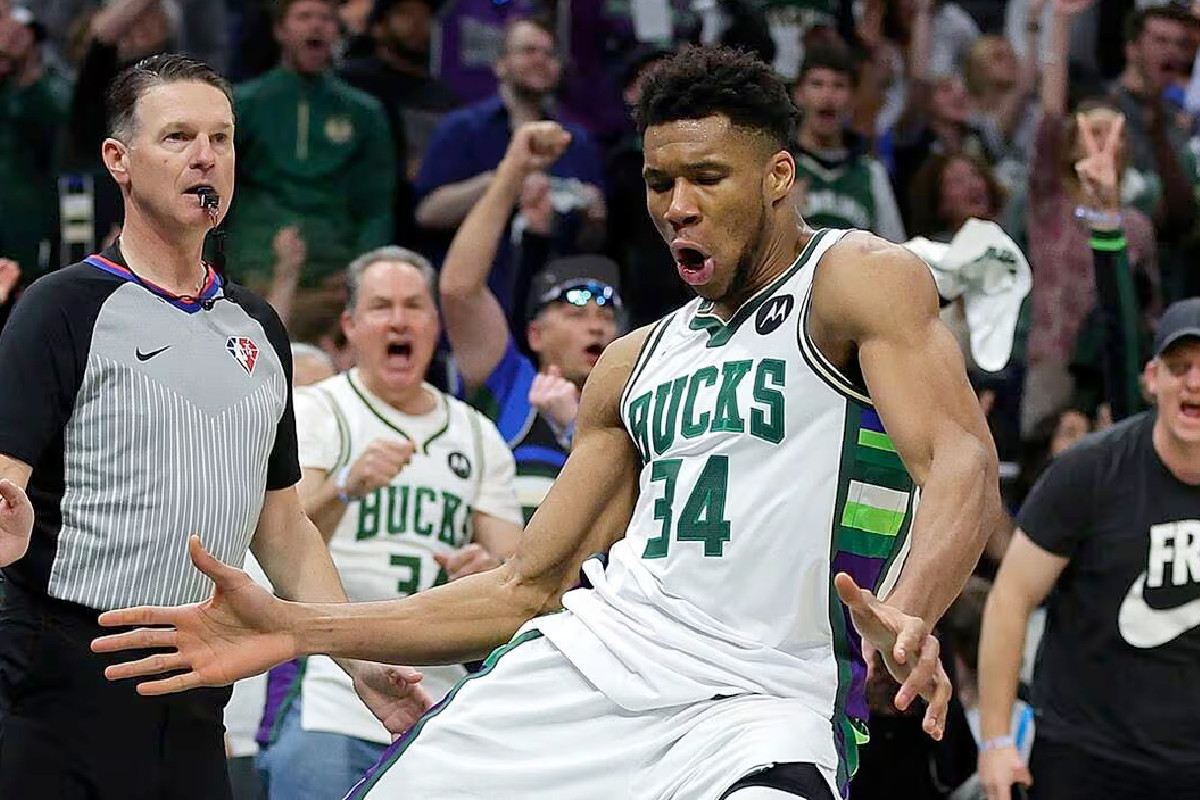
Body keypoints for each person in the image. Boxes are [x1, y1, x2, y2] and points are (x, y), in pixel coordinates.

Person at [94, 46, 1002, 800]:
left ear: (777, 176)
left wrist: (912, 608)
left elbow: (962, 459)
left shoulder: (853, 279)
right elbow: (524, 589)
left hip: (758, 704)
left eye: (706, 178)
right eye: (659, 182)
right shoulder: (635, 360)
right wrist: (303, 628)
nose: (677, 206)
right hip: (586, 668)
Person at [0, 53, 428, 799]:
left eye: (221, 138)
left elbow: (283, 527)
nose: (206, 156)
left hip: (197, 685)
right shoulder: (60, 308)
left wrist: (359, 662)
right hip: (55, 680)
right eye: (178, 137)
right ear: (118, 160)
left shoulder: (258, 326)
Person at [257, 246, 524, 800]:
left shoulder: (477, 434)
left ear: (435, 325)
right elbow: (280, 537)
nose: (399, 320)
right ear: (351, 326)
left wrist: (484, 568)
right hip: (330, 689)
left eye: (413, 306)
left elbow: (516, 568)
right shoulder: (320, 409)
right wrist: (346, 486)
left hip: (441, 702)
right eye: (381, 307)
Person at [976, 297, 1200, 800]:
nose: (1194, 383)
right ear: (1152, 379)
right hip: (1087, 755)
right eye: (1179, 367)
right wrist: (995, 740)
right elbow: (1011, 596)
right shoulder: (1089, 471)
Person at [439, 121, 621, 522]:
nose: (596, 327)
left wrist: (574, 426)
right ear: (535, 334)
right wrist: (513, 170)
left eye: (606, 317)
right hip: (500, 557)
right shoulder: (511, 384)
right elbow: (459, 290)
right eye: (576, 315)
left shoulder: (630, 411)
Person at [413, 15, 606, 322]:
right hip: (477, 301)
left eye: (549, 53)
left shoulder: (575, 140)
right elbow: (428, 212)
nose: (540, 60)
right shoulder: (462, 129)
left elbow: (593, 240)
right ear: (501, 64)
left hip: (556, 308)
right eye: (528, 51)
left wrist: (591, 211)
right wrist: (506, 180)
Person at [223, 0, 396, 288]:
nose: (316, 25)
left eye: (326, 18)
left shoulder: (365, 113)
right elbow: (215, 191)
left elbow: (376, 205)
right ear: (280, 30)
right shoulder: (240, 104)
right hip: (253, 270)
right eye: (304, 17)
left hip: (335, 274)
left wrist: (363, 269)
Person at [791, 43, 906, 244]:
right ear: (799, 94)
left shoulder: (871, 173)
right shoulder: (779, 167)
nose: (827, 96)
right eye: (817, 84)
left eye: (838, 86)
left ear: (853, 99)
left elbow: (896, 248)